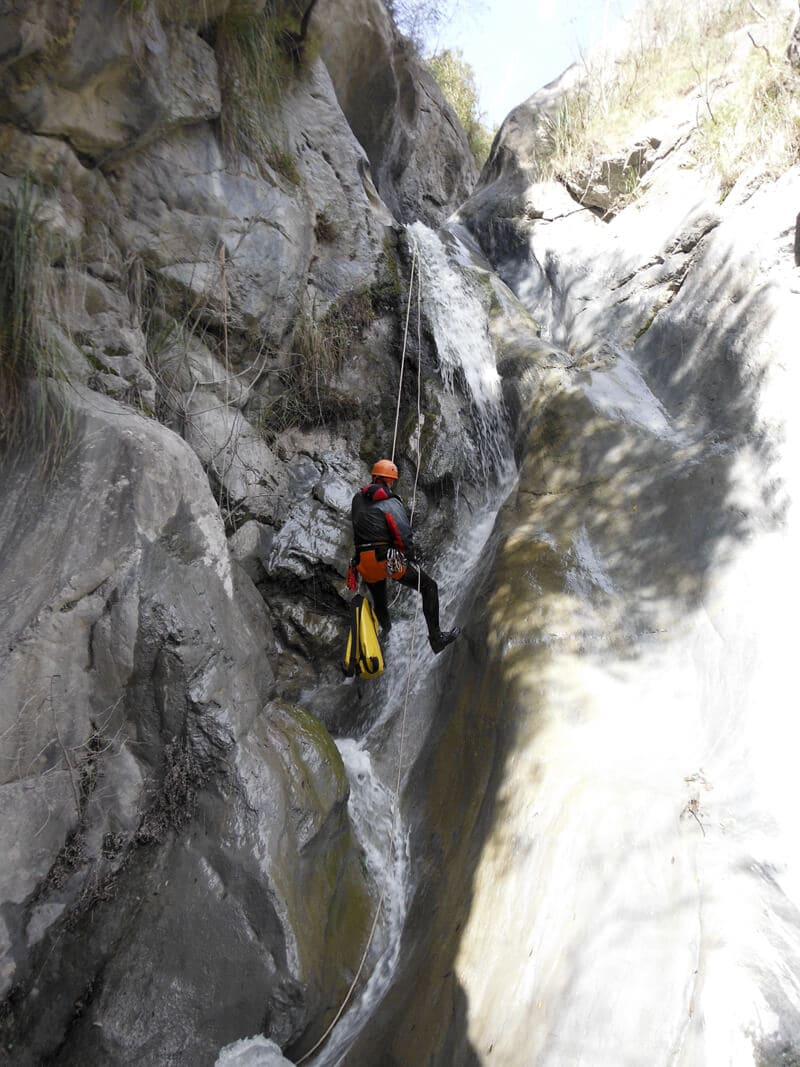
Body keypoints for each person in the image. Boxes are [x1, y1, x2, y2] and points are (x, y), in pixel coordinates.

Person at [350, 458, 460, 654]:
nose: (393, 484)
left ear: (374, 477)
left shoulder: (357, 499)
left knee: (380, 600)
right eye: (392, 481)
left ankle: (385, 635)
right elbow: (403, 534)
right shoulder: (391, 502)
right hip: (386, 561)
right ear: (389, 481)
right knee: (429, 587)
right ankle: (436, 639)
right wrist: (411, 558)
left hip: (363, 564)